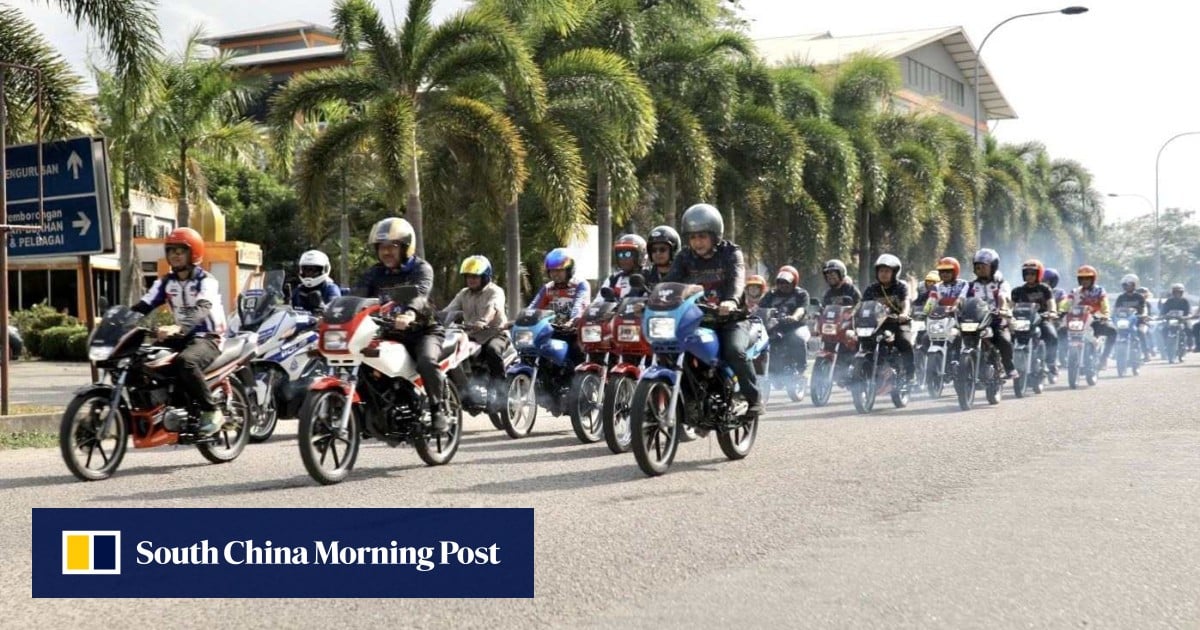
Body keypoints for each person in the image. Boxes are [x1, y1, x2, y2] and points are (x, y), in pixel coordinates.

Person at [665, 203, 761, 416]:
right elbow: (670, 282)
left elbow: (737, 279)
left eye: (702, 236)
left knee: (734, 350)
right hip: (697, 318)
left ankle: (753, 397)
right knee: (672, 349)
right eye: (693, 237)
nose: (697, 242)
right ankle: (690, 401)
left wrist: (731, 301)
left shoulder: (731, 253)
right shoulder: (684, 257)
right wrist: (651, 299)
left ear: (715, 236)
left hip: (731, 319)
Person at [354, 217, 449, 432]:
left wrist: (409, 313)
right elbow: (356, 295)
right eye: (382, 247)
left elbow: (421, 294)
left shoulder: (421, 269)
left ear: (406, 248)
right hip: (388, 332)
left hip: (423, 331)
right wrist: (333, 313)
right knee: (360, 360)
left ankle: (438, 409)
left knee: (426, 361)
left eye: (392, 247)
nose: (386, 252)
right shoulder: (374, 273)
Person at [132, 227, 227, 436]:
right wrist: (122, 320)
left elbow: (202, 308)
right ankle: (168, 407)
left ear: (193, 253)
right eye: (171, 250)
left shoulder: (206, 281)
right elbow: (144, 305)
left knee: (186, 362)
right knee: (141, 359)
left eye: (181, 250)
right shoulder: (166, 282)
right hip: (180, 337)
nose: (175, 255)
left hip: (208, 337)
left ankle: (212, 410)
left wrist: (179, 327)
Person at [443, 255, 508, 403]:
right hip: (472, 335)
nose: (470, 280)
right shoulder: (464, 293)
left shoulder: (495, 291)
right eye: (468, 276)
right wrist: (435, 319)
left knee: (493, 350)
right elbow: (449, 310)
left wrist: (484, 320)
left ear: (485, 277)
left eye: (475, 276)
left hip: (495, 333)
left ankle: (500, 391)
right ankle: (465, 389)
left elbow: (493, 308)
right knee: (453, 350)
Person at [528, 248, 591, 363]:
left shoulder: (580, 285)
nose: (555, 274)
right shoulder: (548, 288)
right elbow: (533, 307)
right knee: (536, 351)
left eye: (559, 270)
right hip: (552, 331)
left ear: (569, 270)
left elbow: (579, 304)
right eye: (552, 271)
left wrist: (572, 320)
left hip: (574, 332)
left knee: (576, 352)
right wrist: (520, 320)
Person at [861, 254, 915, 385]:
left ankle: (910, 374)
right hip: (877, 325)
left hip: (897, 323)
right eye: (881, 271)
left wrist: (904, 314)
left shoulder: (901, 287)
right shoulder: (871, 289)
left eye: (887, 271)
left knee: (904, 342)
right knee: (862, 340)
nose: (883, 274)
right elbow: (862, 305)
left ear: (894, 273)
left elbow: (906, 302)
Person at [965, 248, 1017, 378]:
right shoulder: (970, 285)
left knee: (1004, 341)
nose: (980, 269)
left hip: (996, 321)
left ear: (993, 267)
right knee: (956, 336)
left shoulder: (1001, 284)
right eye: (977, 266)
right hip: (976, 321)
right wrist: (954, 308)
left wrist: (1002, 309)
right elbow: (961, 299)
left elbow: (1003, 297)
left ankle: (1009, 367)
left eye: (984, 266)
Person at [1010, 259, 1059, 375]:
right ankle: (1008, 364)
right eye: (1027, 273)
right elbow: (1010, 306)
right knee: (1008, 338)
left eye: (1032, 273)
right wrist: (1008, 314)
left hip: (1041, 319)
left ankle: (1050, 362)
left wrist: (1052, 312)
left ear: (1039, 274)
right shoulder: (1017, 291)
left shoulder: (1045, 289)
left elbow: (1051, 302)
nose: (1029, 276)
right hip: (1022, 321)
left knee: (1052, 335)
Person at [760, 265, 810, 375]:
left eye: (786, 282)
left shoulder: (801, 294)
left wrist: (794, 317)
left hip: (795, 327)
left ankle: (801, 369)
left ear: (794, 282)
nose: (783, 285)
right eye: (780, 282)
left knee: (798, 337)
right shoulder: (771, 294)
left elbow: (802, 309)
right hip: (775, 327)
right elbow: (761, 308)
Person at [1065, 265, 1115, 367]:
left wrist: (1105, 315)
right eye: (1082, 278)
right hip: (1078, 321)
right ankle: (1062, 358)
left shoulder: (1099, 291)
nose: (1085, 281)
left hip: (1095, 319)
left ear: (1093, 279)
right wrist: (1061, 310)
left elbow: (1105, 304)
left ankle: (1104, 358)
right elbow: (1067, 303)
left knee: (1113, 331)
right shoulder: (1075, 291)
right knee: (1060, 332)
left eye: (1087, 278)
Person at [1113, 274, 1151, 362]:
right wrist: (1113, 316)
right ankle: (1116, 351)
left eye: (1129, 285)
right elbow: (1115, 309)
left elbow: (1144, 308)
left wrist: (1144, 315)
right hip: (1125, 321)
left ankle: (1146, 354)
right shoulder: (1121, 297)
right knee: (1116, 332)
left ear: (1134, 285)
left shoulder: (1139, 297)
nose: (1127, 287)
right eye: (1125, 285)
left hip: (1138, 320)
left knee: (1141, 332)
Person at [291, 249, 342, 314]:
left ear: (325, 269)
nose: (308, 273)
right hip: (301, 320)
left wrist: (322, 307)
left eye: (313, 270)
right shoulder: (298, 290)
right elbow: (292, 311)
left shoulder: (330, 288)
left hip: (322, 320)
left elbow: (335, 312)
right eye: (305, 269)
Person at [599, 234, 648, 300]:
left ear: (640, 256)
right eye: (620, 255)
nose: (623, 259)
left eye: (628, 254)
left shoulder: (648, 277)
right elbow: (598, 300)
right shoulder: (613, 279)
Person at [1159, 283, 1191, 355]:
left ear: (1182, 292)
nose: (1177, 294)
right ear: (1173, 292)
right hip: (1171, 320)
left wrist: (1187, 316)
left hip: (1182, 320)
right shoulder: (1169, 301)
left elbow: (1189, 312)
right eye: (1175, 292)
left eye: (1179, 292)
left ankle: (1189, 345)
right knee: (1163, 329)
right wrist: (1163, 316)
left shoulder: (1185, 301)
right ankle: (1166, 344)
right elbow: (1163, 311)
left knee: (1189, 328)